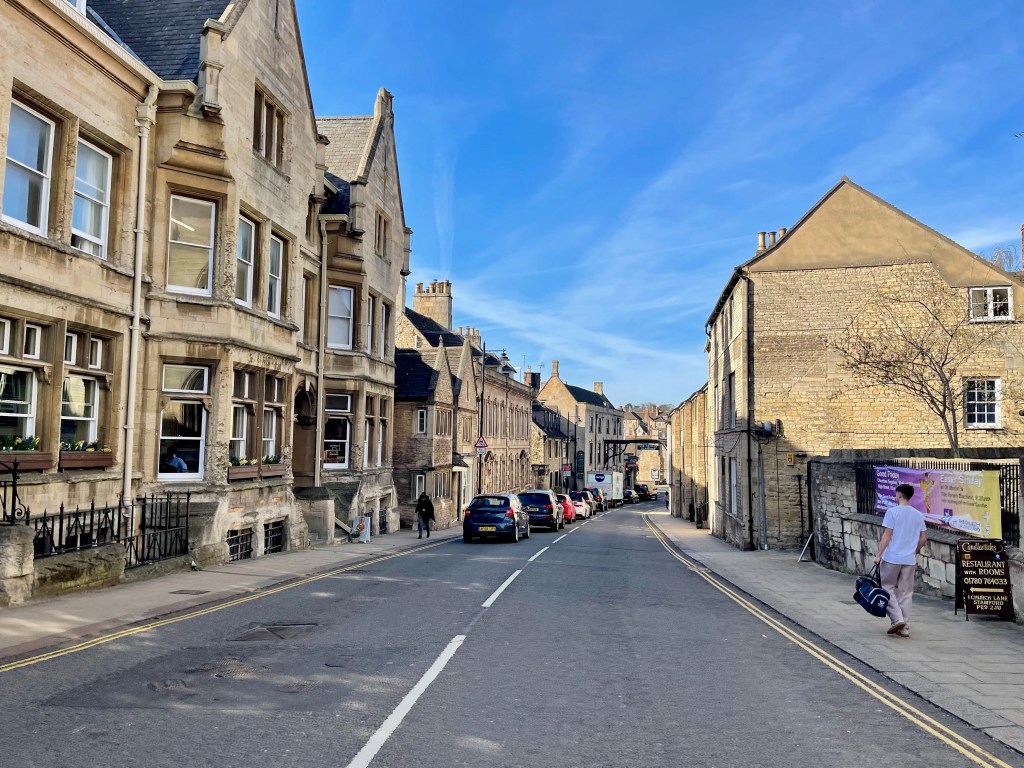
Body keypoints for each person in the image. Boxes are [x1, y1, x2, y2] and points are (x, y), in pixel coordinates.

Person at [873, 483, 927, 638]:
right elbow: (923, 538)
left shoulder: (892, 512)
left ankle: (897, 620)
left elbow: (887, 535)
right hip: (909, 559)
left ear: (899, 495)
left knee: (887, 588)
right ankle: (904, 627)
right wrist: (915, 551)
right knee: (906, 592)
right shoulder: (918, 515)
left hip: (892, 557)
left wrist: (878, 555)